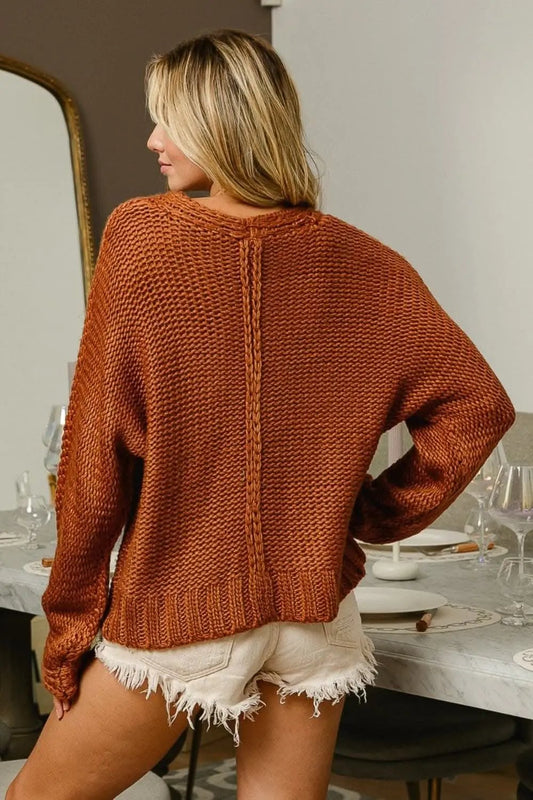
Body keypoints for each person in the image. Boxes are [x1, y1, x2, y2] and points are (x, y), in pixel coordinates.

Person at [7, 29, 514, 800]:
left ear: (220, 123)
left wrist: (70, 624)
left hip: (183, 611)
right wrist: (362, 517)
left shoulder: (142, 236)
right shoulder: (364, 261)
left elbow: (94, 453)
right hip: (313, 617)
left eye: (168, 121)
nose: (152, 140)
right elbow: (478, 407)